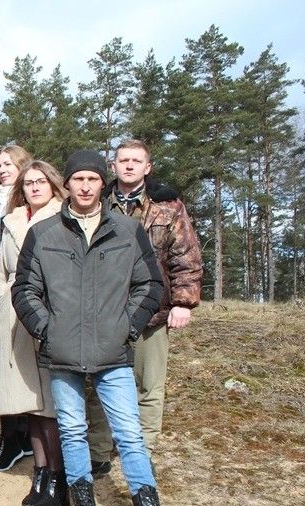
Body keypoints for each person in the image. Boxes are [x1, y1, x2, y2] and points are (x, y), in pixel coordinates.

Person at [12, 150, 190, 506]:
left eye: (93, 179)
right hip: (63, 354)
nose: (86, 186)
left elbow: (149, 284)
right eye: (78, 179)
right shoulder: (45, 233)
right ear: (68, 185)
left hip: (114, 353)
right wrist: (46, 328)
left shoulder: (127, 230)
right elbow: (25, 290)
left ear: (100, 183)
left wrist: (125, 327)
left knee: (129, 435)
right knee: (73, 433)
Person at [87, 139, 204, 475]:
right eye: (123, 160)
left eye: (136, 161)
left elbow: (186, 257)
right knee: (100, 382)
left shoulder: (168, 206)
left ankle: (142, 448)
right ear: (113, 165)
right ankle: (99, 449)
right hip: (106, 310)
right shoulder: (98, 203)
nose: (129, 166)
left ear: (147, 167)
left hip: (153, 309)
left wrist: (183, 302)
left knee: (148, 383)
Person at [0, 161, 67, 506]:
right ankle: (40, 470)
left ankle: (57, 475)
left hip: (48, 314)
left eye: (41, 182)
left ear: (54, 185)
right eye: (28, 183)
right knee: (31, 403)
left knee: (50, 405)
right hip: (13, 315)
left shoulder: (62, 218)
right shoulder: (12, 221)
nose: (35, 188)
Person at [0, 144, 33, 473]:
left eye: (9, 164)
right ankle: (12, 436)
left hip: (23, 290)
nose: (2, 170)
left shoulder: (31, 205)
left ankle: (21, 438)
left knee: (23, 368)